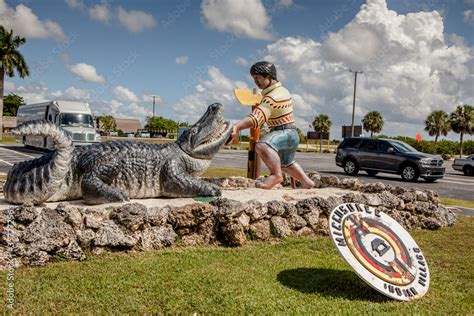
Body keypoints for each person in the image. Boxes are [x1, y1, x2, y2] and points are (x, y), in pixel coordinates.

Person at [228, 61, 314, 189]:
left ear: (268, 76)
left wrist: (237, 126)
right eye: (254, 78)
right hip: (290, 133)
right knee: (287, 164)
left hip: (284, 132)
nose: (255, 82)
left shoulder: (274, 96)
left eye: (257, 78)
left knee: (262, 146)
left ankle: (276, 175)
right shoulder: (279, 92)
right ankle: (307, 182)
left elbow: (256, 117)